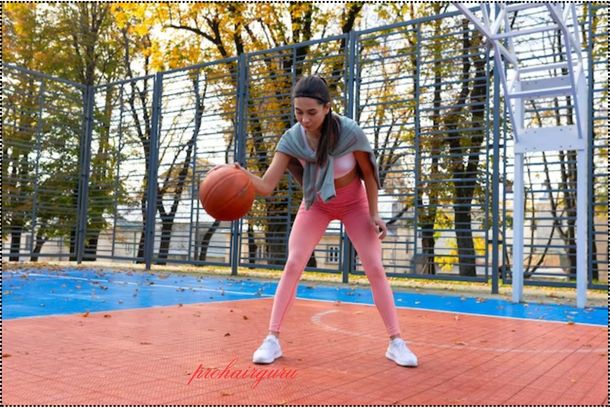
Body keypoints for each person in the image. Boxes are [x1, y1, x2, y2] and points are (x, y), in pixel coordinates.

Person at [235, 75, 417, 367]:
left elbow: (369, 174)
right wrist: (241, 175)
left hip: (354, 204)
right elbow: (267, 186)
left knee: (374, 266)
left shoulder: (349, 132)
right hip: (316, 205)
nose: (304, 119)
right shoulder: (292, 139)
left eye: (311, 112)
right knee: (294, 263)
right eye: (298, 112)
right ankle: (272, 339)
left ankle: (396, 342)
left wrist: (374, 213)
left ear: (327, 108)